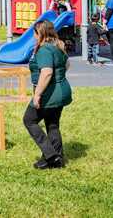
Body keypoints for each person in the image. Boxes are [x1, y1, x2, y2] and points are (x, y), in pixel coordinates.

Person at [23, 20, 72, 169]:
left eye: (35, 32)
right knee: (52, 125)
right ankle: (58, 161)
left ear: (40, 33)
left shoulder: (45, 50)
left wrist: (37, 94)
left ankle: (50, 156)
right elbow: (67, 65)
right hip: (62, 91)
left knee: (29, 120)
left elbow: (47, 72)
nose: (34, 35)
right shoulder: (58, 46)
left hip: (49, 93)